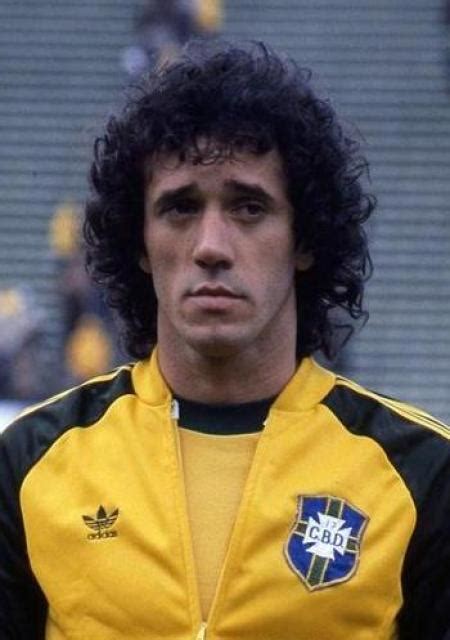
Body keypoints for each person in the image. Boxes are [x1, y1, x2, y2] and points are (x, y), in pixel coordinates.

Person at [0, 40, 449, 640]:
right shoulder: (29, 463)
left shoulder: (421, 473)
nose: (211, 246)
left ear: (304, 239)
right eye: (180, 208)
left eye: (248, 208)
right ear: (139, 242)